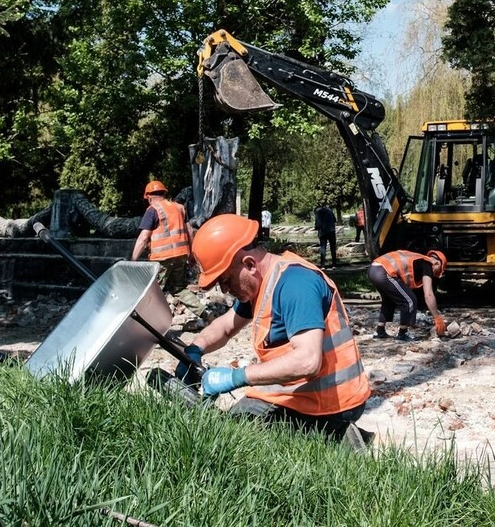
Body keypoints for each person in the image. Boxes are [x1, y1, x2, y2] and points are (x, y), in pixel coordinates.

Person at [175, 213, 370, 444]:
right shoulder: (262, 286)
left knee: (238, 437)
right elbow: (226, 326)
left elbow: (308, 361)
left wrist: (237, 377)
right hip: (297, 393)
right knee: (236, 422)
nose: (225, 290)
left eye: (226, 280)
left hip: (330, 403)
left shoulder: (296, 285)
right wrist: (195, 349)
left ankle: (338, 436)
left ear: (249, 264)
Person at [130, 180, 199, 311]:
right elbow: (189, 230)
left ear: (149, 197)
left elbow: (143, 238)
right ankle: (204, 313)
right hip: (181, 255)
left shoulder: (152, 210)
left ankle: (149, 322)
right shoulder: (179, 208)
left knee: (152, 293)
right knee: (179, 289)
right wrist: (191, 254)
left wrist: (133, 260)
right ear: (164, 193)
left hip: (162, 259)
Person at [366, 249, 448, 341]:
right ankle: (403, 333)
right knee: (410, 300)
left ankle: (380, 331)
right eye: (440, 270)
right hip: (383, 271)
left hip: (372, 269)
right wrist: (437, 317)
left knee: (388, 300)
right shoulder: (428, 264)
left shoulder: (418, 259)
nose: (437, 274)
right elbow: (428, 294)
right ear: (437, 263)